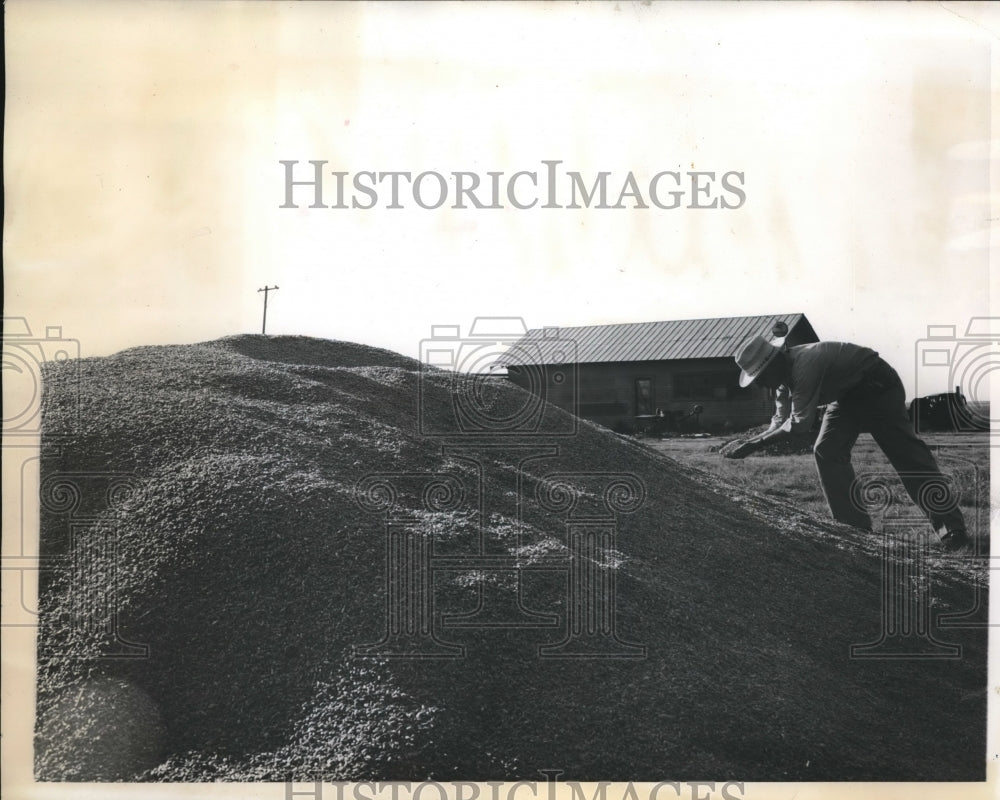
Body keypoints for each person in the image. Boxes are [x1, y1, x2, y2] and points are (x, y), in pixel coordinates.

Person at [724, 334, 970, 551]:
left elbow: (800, 424)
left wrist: (754, 446)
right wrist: (748, 442)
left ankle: (952, 531)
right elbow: (779, 422)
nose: (758, 383)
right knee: (827, 450)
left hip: (877, 384)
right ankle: (854, 529)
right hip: (845, 395)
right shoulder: (782, 382)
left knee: (906, 454)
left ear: (775, 362)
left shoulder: (806, 363)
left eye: (759, 376)